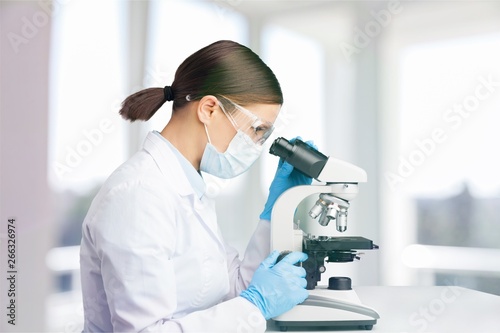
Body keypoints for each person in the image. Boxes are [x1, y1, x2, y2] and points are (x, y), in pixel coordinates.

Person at [79, 40, 313, 332]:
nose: (258, 145)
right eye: (257, 129)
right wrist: (255, 305)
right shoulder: (138, 194)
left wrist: (277, 212)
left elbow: (233, 290)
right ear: (209, 109)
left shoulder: (189, 189)